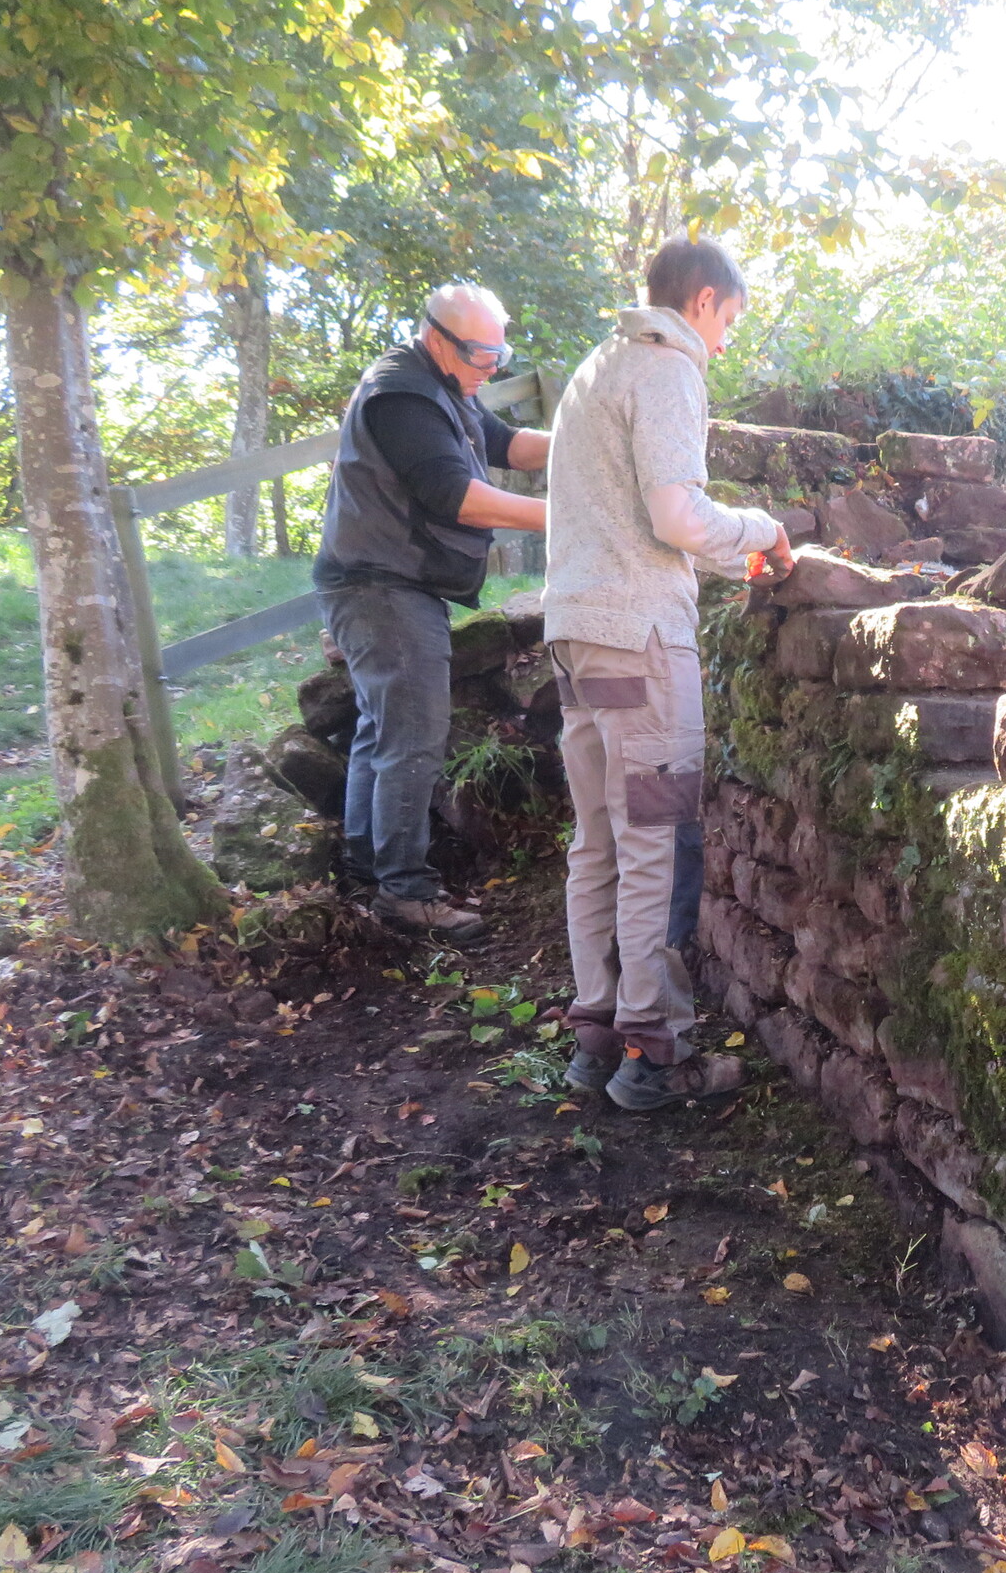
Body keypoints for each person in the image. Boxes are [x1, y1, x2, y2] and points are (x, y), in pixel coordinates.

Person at [542, 235, 791, 1110]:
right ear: (703, 301)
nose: (727, 339)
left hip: (577, 641)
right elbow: (677, 516)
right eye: (731, 319)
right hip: (640, 642)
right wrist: (762, 531)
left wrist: (729, 556)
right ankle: (652, 1054)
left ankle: (596, 1035)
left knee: (598, 839)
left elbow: (629, 514)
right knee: (655, 837)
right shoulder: (666, 367)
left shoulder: (596, 369)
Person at [313, 283, 550, 943]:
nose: (492, 369)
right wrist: (569, 514)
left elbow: (509, 445)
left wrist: (587, 442)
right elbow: (457, 495)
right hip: (379, 586)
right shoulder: (402, 396)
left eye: (501, 356)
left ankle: (368, 868)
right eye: (481, 355)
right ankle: (405, 894)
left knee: (383, 730)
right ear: (435, 337)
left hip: (386, 582)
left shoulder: (449, 385)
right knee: (413, 735)